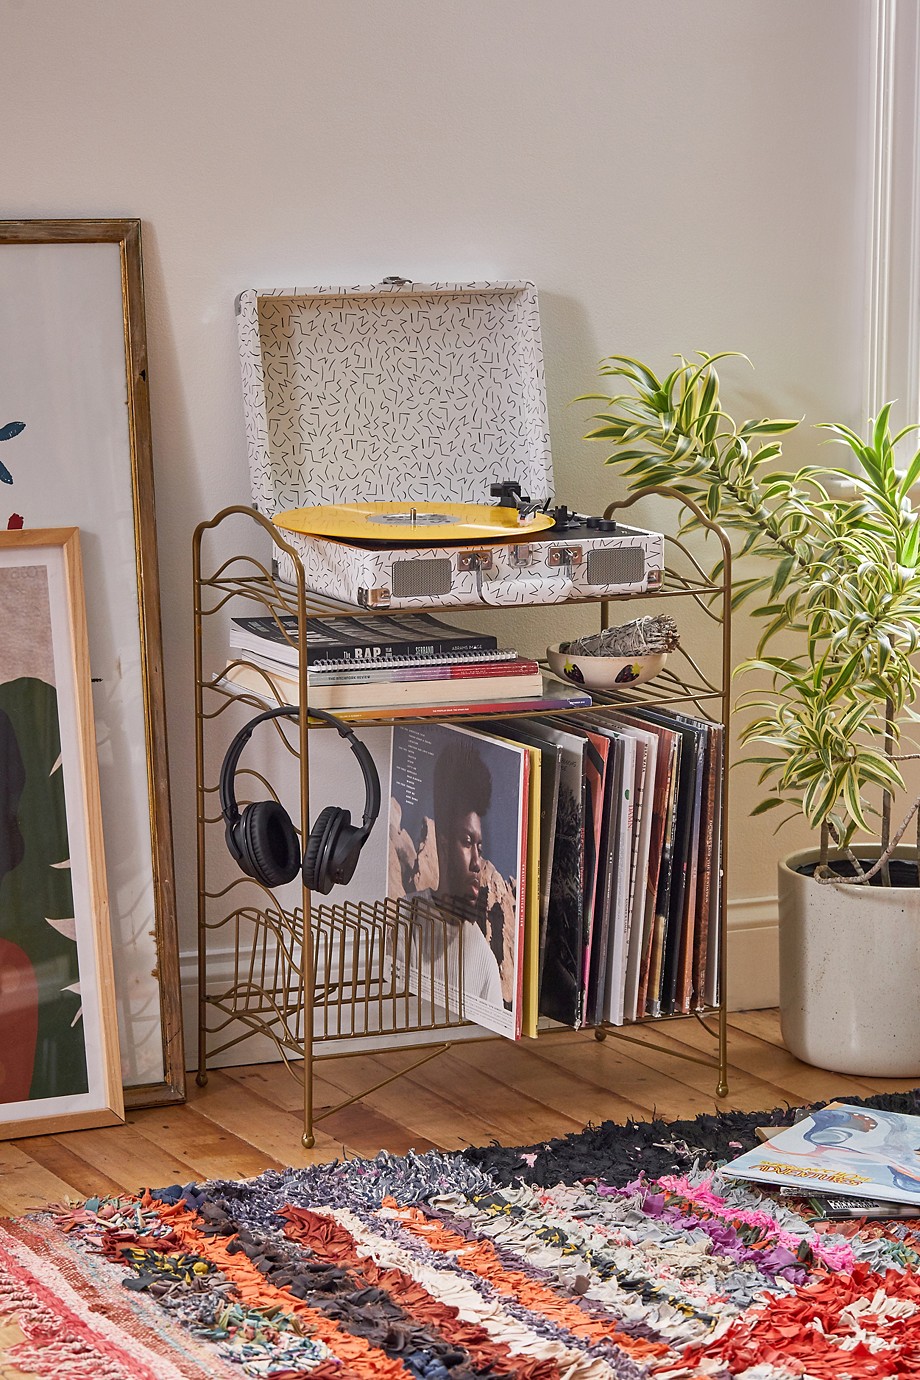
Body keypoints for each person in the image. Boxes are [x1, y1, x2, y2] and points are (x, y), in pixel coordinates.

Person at [416, 735, 504, 1008]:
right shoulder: (403, 914)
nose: (477, 862)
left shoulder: (484, 961)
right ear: (442, 841)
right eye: (467, 843)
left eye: (479, 845)